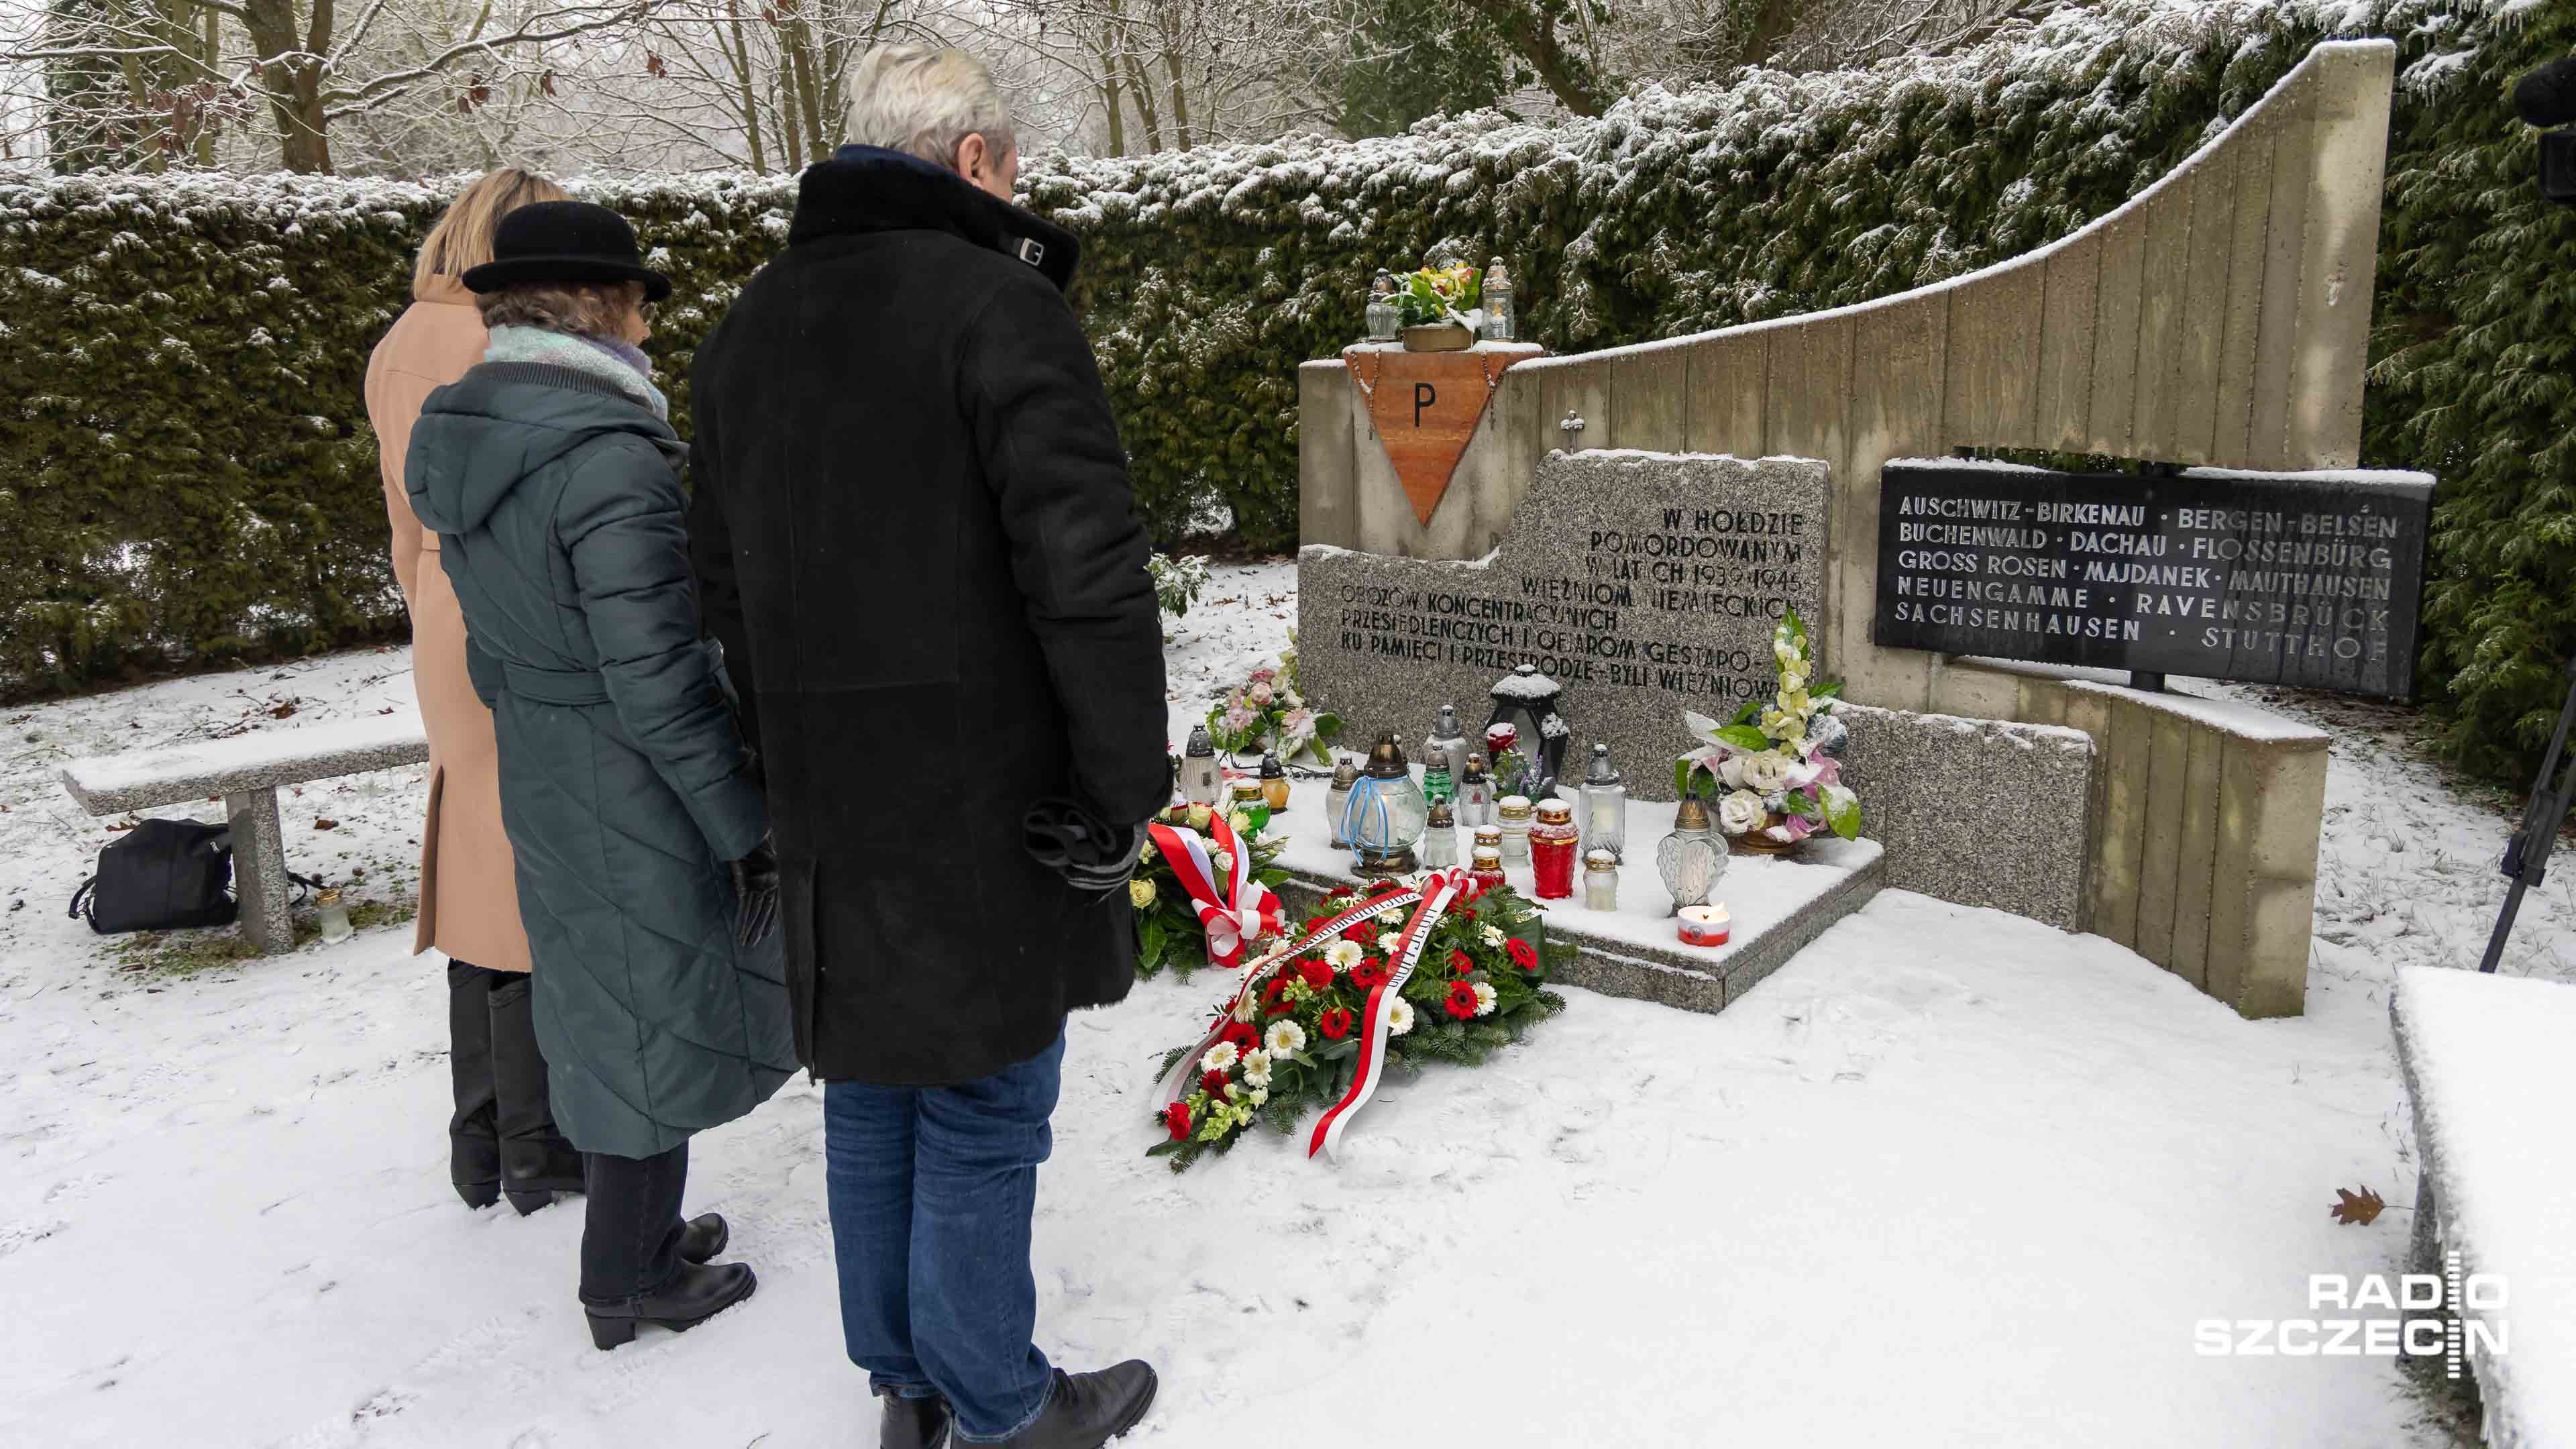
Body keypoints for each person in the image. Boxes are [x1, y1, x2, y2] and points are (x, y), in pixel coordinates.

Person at [687, 43, 1168, 1449]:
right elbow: (1086, 571)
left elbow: (719, 584)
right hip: (986, 790)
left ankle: (906, 1382)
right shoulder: (998, 306)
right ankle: (998, 1400)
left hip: (830, 790)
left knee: (878, 1082)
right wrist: (1121, 784)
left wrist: (785, 751)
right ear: (973, 161)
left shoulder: (748, 327)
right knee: (981, 1093)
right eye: (1013, 167)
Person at [404, 199, 796, 1350]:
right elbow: (659, 676)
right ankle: (625, 1277)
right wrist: (742, 825)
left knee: (610, 998)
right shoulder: (608, 456)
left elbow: (491, 640)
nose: (648, 326)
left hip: (546, 755)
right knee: (646, 1009)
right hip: (629, 771)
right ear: (600, 307)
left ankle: (646, 1239)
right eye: (637, 302)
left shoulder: (473, 430)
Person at [364, 166, 587, 1216]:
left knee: (474, 871)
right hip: (504, 607)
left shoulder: (401, 341)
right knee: (526, 869)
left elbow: (401, 520)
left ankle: (484, 1138)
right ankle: (537, 1144)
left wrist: (430, 609)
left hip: (441, 609)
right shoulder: (499, 345)